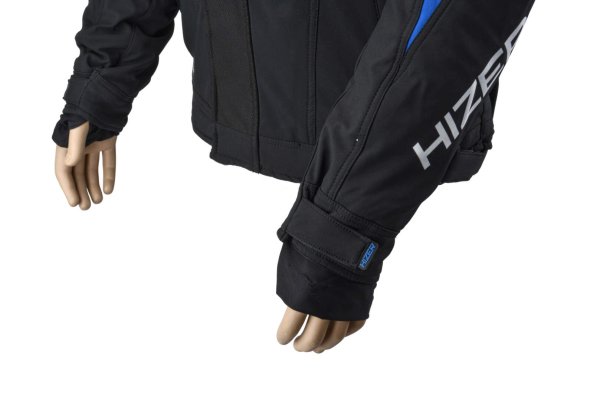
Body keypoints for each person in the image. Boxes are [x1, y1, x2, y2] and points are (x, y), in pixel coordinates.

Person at [53, 0, 536, 353]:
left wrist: (342, 229)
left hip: (408, 210)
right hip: (209, 193)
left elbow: (455, 16)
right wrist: (102, 78)